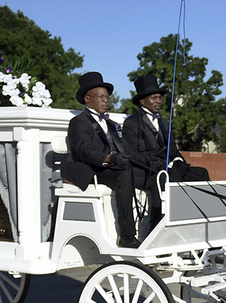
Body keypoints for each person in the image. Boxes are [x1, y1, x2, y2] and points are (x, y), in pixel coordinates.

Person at [121, 74, 209, 234]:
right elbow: (132, 154)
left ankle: (202, 224)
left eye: (160, 98)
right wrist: (158, 163)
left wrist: (177, 161)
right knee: (165, 177)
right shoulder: (132, 123)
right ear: (142, 101)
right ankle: (157, 228)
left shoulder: (164, 122)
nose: (159, 101)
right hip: (148, 171)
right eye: (154, 98)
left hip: (169, 168)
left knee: (201, 173)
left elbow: (173, 149)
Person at [63, 71, 141, 248]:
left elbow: (126, 148)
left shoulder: (112, 124)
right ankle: (126, 235)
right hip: (91, 169)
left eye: (107, 97)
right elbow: (84, 152)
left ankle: (153, 225)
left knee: (151, 174)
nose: (106, 100)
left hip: (113, 167)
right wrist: (110, 158)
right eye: (100, 97)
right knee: (124, 173)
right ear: (87, 98)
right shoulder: (79, 122)